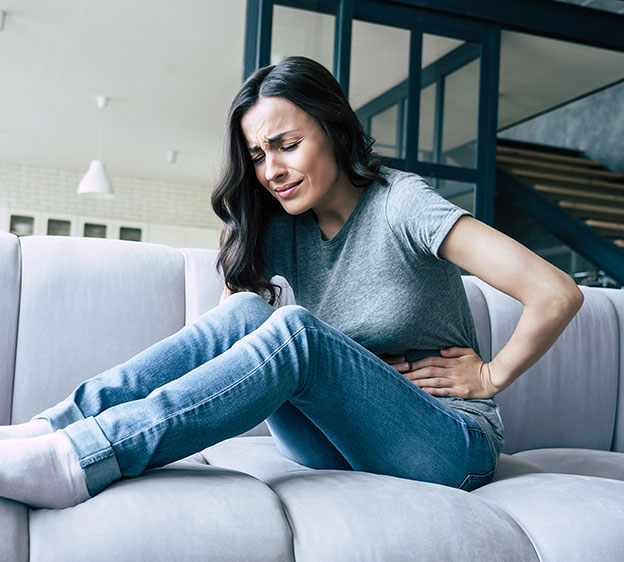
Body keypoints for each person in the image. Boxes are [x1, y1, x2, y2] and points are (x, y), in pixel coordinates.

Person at [0, 56, 583, 510]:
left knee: (295, 332)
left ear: (332, 128)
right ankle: (53, 428)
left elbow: (557, 292)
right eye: (257, 154)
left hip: (446, 444)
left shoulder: (402, 204)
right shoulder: (280, 226)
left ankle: (84, 457)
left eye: (287, 144)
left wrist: (489, 374)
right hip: (332, 441)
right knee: (251, 317)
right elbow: (230, 337)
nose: (271, 169)